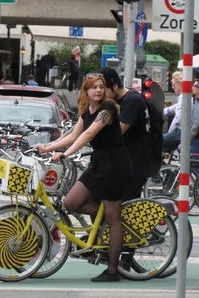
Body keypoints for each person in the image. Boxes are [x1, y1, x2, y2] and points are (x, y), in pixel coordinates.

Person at [34, 73, 132, 282]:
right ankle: (106, 217)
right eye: (93, 87)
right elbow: (72, 135)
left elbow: (88, 135)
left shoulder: (108, 109)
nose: (98, 90)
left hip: (115, 165)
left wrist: (65, 154)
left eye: (101, 86)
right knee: (71, 202)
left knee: (113, 218)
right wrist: (47, 148)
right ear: (85, 90)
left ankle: (113, 270)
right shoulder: (86, 110)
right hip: (98, 164)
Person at [98, 67, 149, 201]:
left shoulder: (133, 100)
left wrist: (93, 138)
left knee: (125, 207)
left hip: (135, 163)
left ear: (115, 86)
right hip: (120, 160)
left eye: (105, 90)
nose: (102, 95)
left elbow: (118, 131)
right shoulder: (114, 101)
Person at [162, 71, 183, 152]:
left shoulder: (183, 97)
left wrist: (170, 132)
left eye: (174, 84)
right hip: (181, 132)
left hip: (179, 132)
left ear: (180, 84)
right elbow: (170, 110)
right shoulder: (185, 97)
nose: (173, 87)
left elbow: (178, 118)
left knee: (155, 142)